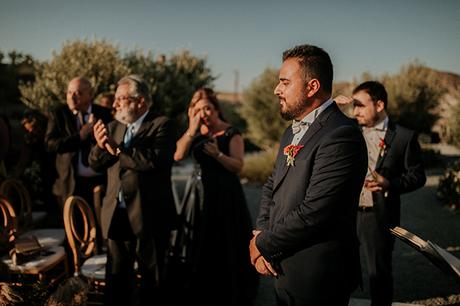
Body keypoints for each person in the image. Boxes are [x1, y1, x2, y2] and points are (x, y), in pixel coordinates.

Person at [249, 44, 368, 306]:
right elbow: (272, 185)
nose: (276, 90)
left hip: (317, 274)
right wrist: (260, 231)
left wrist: (263, 245)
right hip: (283, 264)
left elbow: (316, 211)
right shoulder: (290, 132)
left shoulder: (341, 135)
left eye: (284, 82)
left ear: (312, 87)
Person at [335, 81, 426, 306]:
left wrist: (390, 184)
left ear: (379, 104)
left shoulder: (404, 137)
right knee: (340, 267)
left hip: (378, 215)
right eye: (353, 106)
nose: (355, 111)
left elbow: (418, 176)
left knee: (379, 272)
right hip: (344, 213)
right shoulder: (349, 128)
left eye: (360, 106)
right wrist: (332, 108)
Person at [89, 75, 177, 306]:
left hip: (149, 214)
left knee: (152, 278)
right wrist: (100, 146)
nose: (115, 104)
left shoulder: (162, 124)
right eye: (116, 99)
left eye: (121, 98)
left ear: (141, 101)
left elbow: (154, 160)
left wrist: (117, 151)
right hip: (116, 213)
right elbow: (95, 163)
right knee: (117, 277)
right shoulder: (113, 125)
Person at [173, 88, 258, 305]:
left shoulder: (231, 133)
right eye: (199, 109)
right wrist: (192, 129)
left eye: (208, 108)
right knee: (198, 241)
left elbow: (238, 166)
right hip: (198, 194)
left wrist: (217, 155)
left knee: (224, 242)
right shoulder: (196, 132)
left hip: (225, 195)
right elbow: (178, 154)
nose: (204, 113)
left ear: (216, 109)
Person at [45, 76, 113, 208]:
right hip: (71, 183)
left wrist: (96, 135)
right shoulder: (59, 114)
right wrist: (80, 136)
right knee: (74, 226)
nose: (72, 97)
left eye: (78, 93)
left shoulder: (104, 114)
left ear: (90, 94)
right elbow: (49, 144)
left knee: (101, 225)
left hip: (101, 182)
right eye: (69, 92)